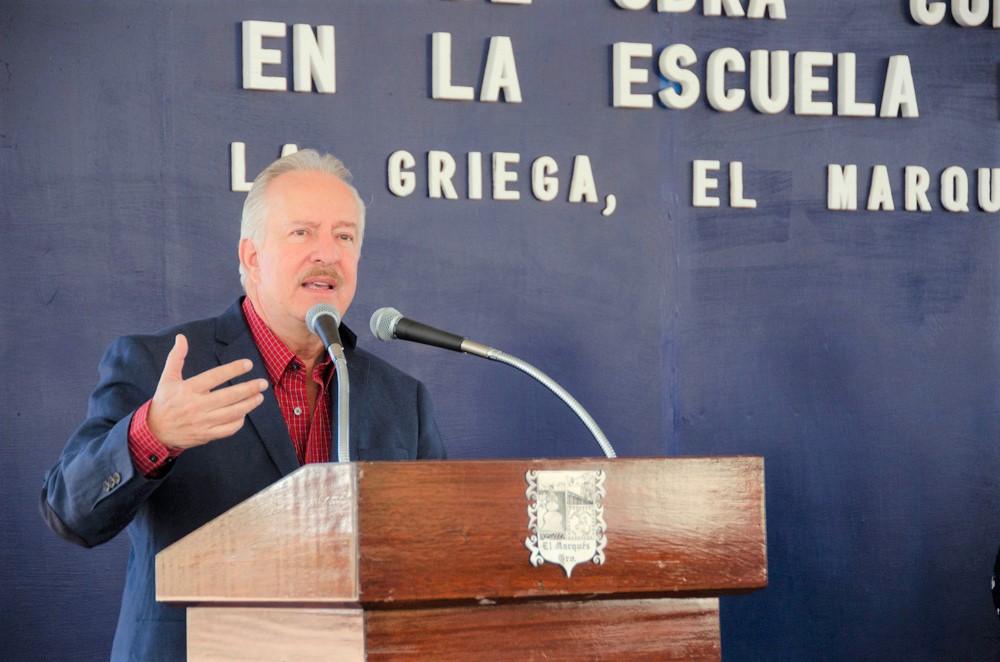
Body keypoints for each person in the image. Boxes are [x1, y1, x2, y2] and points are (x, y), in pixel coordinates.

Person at [39, 149, 446, 661]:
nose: (327, 253)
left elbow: (436, 558)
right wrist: (153, 433)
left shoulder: (401, 399)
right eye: (302, 233)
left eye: (344, 236)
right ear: (252, 257)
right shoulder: (161, 365)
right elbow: (69, 514)